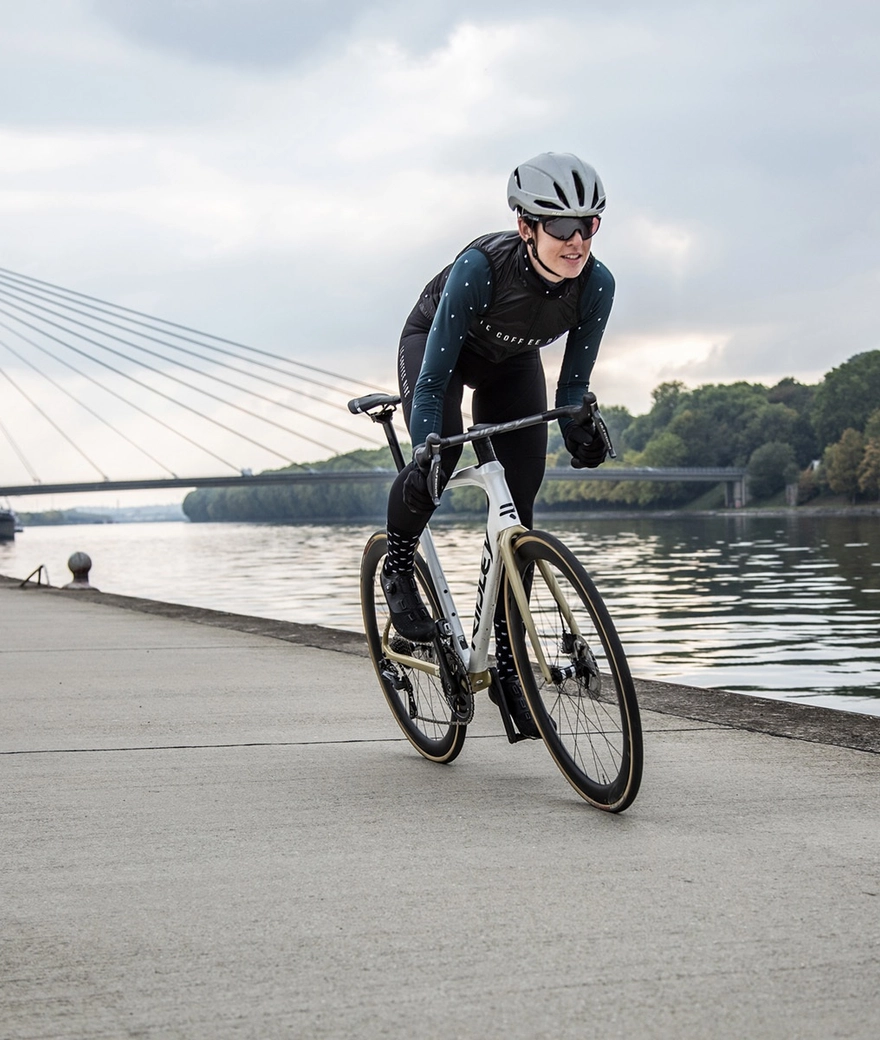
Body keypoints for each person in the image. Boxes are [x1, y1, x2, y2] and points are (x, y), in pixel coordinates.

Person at [381, 151, 614, 738]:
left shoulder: (596, 286)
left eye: (587, 225)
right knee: (443, 456)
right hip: (440, 355)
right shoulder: (480, 268)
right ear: (525, 227)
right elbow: (432, 381)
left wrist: (581, 428)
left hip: (511, 365)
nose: (575, 239)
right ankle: (399, 564)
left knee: (521, 505)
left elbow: (573, 388)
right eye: (559, 226)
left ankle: (511, 665)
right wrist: (428, 446)